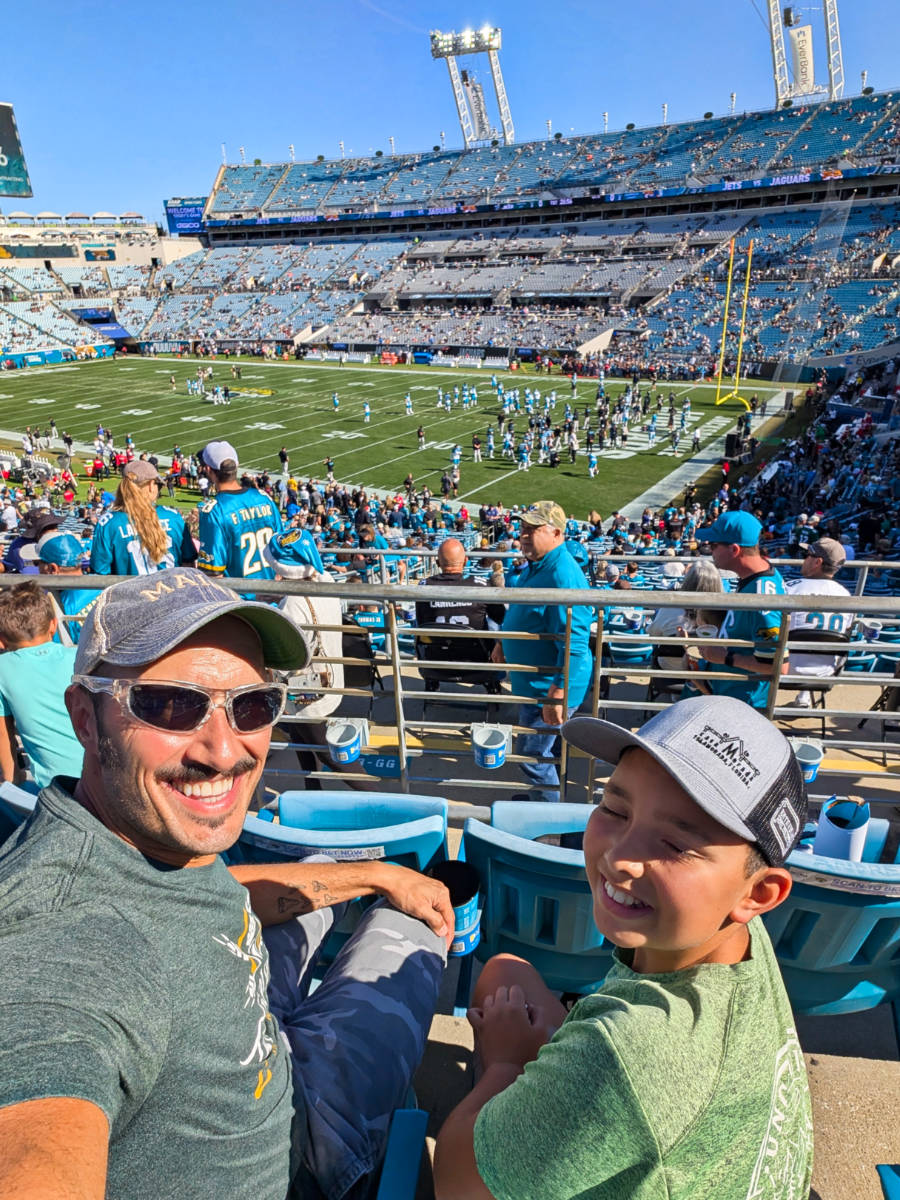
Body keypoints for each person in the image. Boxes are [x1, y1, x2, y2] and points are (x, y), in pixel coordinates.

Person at [0, 568, 452, 1200]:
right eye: (167, 704)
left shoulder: (137, 835)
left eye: (253, 705)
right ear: (84, 716)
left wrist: (373, 874)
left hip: (251, 1039)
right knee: (413, 927)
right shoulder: (66, 943)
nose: (221, 749)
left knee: (337, 879)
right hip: (302, 1148)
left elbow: (204, 896)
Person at [434, 695, 813, 1200]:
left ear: (757, 893)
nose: (620, 856)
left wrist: (506, 1063)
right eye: (614, 808)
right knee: (504, 973)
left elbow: (455, 1186)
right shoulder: (741, 935)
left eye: (675, 845)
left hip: (635, 1085)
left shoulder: (630, 1055)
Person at [493, 501, 593, 802]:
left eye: (533, 529)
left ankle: (550, 818)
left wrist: (558, 693)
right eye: (522, 528)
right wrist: (503, 642)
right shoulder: (539, 564)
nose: (523, 535)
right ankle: (543, 798)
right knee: (543, 752)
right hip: (539, 684)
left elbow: (574, 643)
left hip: (548, 687)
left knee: (531, 754)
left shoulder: (561, 574)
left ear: (557, 533)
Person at [262, 528, 366, 790]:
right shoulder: (325, 579)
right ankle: (312, 788)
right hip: (329, 677)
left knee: (329, 754)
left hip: (308, 694)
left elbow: (288, 654)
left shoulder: (293, 605)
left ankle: (383, 799)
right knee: (301, 738)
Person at [691, 511, 788, 709]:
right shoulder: (755, 574)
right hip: (729, 689)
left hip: (742, 699)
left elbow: (779, 665)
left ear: (734, 550)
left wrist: (724, 657)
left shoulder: (763, 599)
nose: (709, 550)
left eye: (713, 545)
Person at [0, 581, 84, 789]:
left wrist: (13, 783)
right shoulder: (79, 657)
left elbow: (3, 735)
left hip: (55, 790)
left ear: (1, 641)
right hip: (106, 781)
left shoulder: (2, 669)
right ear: (53, 625)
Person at [415, 538, 506, 693]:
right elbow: (501, 617)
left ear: (438, 563)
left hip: (437, 662)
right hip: (478, 662)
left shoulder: (424, 587)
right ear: (465, 561)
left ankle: (432, 683)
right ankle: (493, 686)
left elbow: (422, 622)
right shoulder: (481, 586)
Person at [91, 460, 197, 576]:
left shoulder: (108, 523)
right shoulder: (173, 516)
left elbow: (100, 572)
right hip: (172, 592)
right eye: (158, 486)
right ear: (151, 485)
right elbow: (189, 566)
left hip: (129, 593)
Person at [197, 440, 283, 581]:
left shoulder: (214, 511)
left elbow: (213, 573)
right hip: (274, 594)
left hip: (241, 598)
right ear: (237, 466)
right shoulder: (263, 498)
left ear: (207, 469)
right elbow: (283, 548)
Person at [784, 537, 853, 708]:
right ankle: (804, 697)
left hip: (783, 668)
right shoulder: (847, 596)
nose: (803, 559)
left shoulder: (789, 588)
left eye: (807, 555)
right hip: (825, 673)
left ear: (817, 562)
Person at [21, 531, 103, 644]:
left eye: (37, 563)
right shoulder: (104, 585)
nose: (37, 568)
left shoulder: (57, 608)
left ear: (52, 569)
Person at [646, 559, 724, 673]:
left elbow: (652, 633)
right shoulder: (725, 612)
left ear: (688, 581)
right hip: (709, 670)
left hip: (671, 668)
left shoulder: (670, 608)